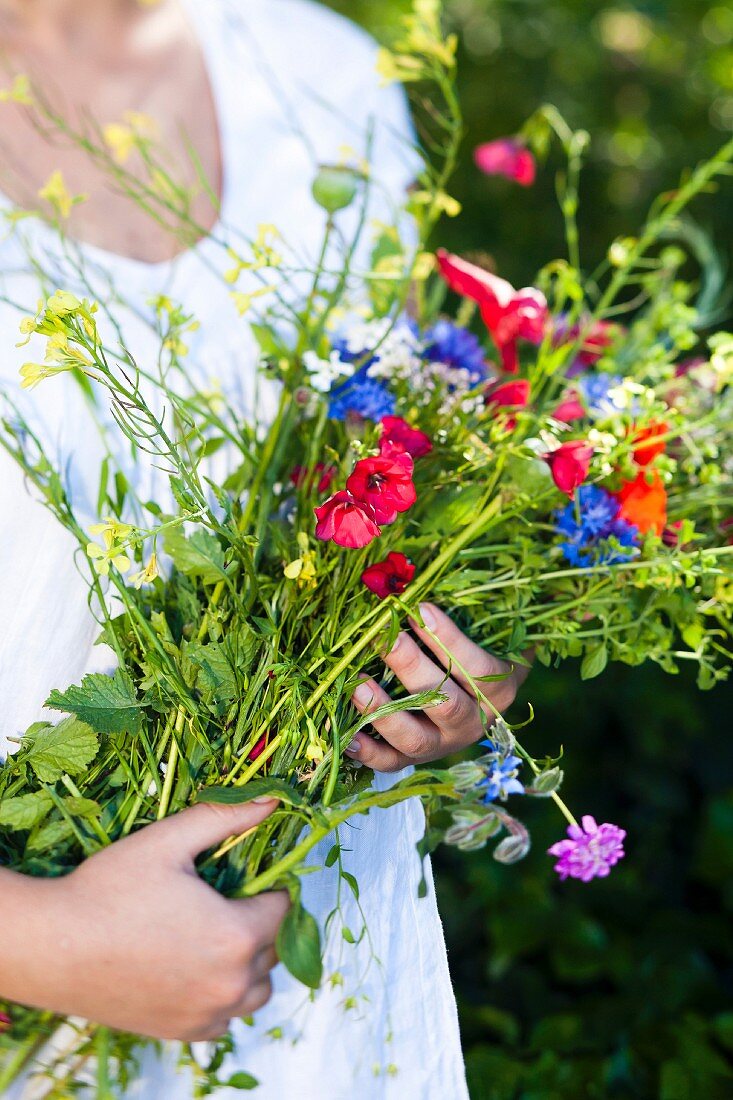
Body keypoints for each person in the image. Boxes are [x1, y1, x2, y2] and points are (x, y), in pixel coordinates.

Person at [0, 2, 527, 1096]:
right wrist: (39, 939)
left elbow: (385, 496)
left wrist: (447, 658)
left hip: (305, 991)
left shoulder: (323, 77)